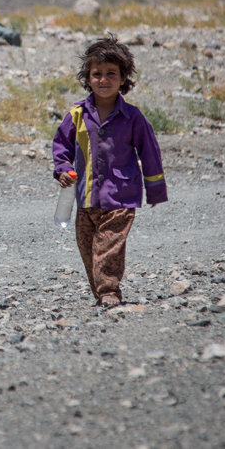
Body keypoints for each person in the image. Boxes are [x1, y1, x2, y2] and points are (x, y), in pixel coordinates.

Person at [52, 34, 168, 308]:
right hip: (85, 198)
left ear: (123, 78)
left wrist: (155, 191)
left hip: (121, 198)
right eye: (97, 74)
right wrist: (63, 169)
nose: (103, 80)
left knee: (108, 248)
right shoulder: (77, 114)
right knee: (89, 250)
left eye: (111, 74)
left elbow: (150, 154)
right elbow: (61, 146)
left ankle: (109, 291)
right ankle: (101, 292)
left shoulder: (133, 117)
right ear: (88, 78)